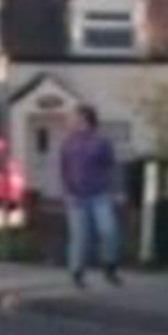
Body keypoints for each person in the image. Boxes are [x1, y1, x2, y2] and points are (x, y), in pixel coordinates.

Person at [59, 104, 122, 288]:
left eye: (75, 118)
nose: (72, 121)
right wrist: (67, 192)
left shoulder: (101, 142)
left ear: (86, 120)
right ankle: (77, 272)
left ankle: (110, 267)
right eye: (72, 119)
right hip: (76, 196)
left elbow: (110, 166)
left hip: (99, 194)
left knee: (108, 231)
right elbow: (64, 170)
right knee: (80, 236)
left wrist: (114, 191)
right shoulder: (68, 143)